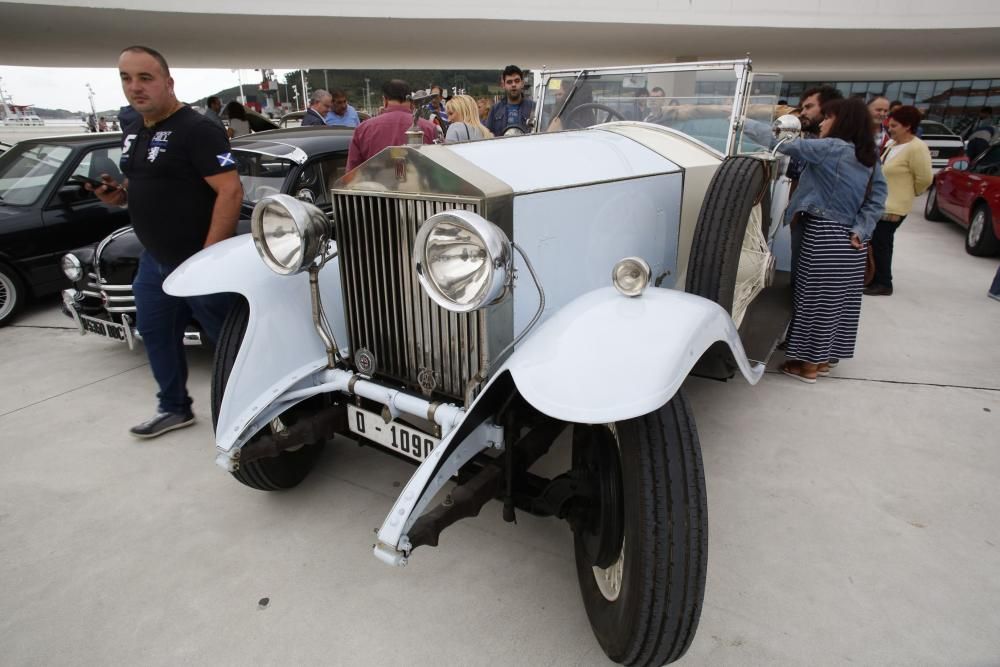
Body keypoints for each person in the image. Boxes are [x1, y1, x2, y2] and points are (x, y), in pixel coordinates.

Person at [90, 45, 243, 438]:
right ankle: (174, 408)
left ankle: (252, 414)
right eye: (126, 78)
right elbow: (143, 185)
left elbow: (230, 191)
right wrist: (118, 196)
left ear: (168, 82)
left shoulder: (198, 129)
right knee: (156, 334)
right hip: (153, 261)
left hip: (198, 263)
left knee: (232, 344)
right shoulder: (136, 129)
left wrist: (209, 260)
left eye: (145, 77)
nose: (135, 87)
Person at [776, 97, 887, 383]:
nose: (822, 122)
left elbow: (785, 144)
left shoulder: (831, 148)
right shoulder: (868, 155)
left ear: (841, 121)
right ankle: (823, 361)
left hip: (822, 233)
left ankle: (807, 366)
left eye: (827, 117)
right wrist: (861, 230)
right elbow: (877, 201)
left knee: (813, 301)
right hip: (852, 242)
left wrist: (741, 122)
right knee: (839, 304)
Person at [864, 105, 933, 296]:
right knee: (881, 243)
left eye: (894, 125)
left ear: (907, 126)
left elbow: (925, 178)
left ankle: (883, 283)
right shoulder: (893, 145)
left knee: (881, 243)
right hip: (881, 203)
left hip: (894, 207)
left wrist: (911, 193)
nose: (890, 128)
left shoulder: (917, 148)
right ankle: (879, 279)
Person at [346, 79, 435, 171]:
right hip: (419, 184)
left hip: (376, 184)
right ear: (411, 101)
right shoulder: (429, 128)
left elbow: (352, 174)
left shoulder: (363, 129)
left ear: (384, 100)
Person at [486, 65, 535, 136]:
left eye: (517, 81)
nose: (513, 84)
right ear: (503, 85)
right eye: (509, 82)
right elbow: (488, 134)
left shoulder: (533, 107)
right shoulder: (495, 109)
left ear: (522, 83)